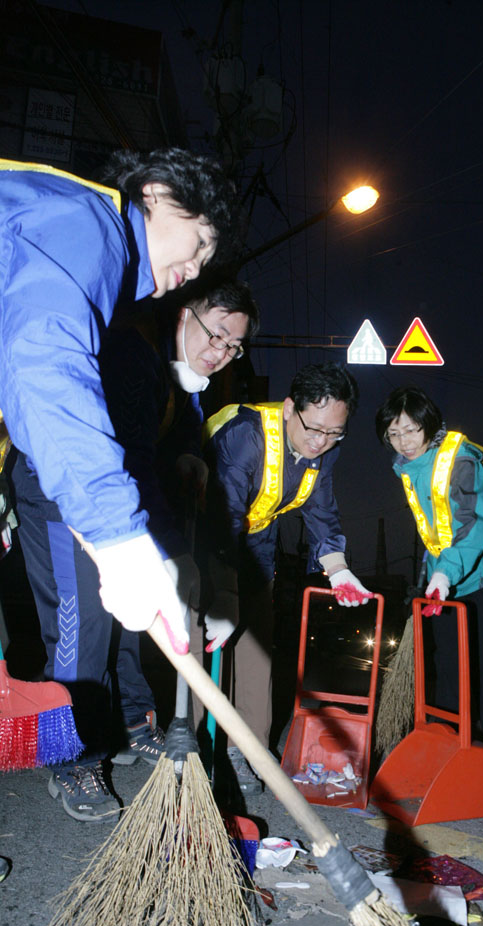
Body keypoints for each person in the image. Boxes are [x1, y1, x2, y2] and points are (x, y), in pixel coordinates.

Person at [1, 148, 237, 820]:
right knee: (82, 628)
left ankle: (108, 731)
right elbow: (44, 363)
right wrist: (119, 535)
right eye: (197, 247)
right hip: (62, 491)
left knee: (106, 624)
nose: (188, 272)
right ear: (157, 194)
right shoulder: (89, 222)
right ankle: (69, 757)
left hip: (72, 486)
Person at [204, 362, 371, 793]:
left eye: (335, 433)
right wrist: (223, 589)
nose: (321, 442)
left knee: (257, 648)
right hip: (200, 537)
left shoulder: (325, 450)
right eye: (314, 428)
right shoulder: (246, 436)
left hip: (257, 546)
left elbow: (321, 512)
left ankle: (247, 752)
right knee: (197, 642)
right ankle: (190, 748)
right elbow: (223, 516)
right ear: (289, 407)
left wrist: (340, 570)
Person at [375, 386, 483, 755]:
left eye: (410, 430)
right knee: (446, 661)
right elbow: (434, 529)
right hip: (448, 575)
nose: (403, 441)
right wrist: (431, 576)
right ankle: (446, 744)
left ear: (429, 424)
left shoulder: (461, 460)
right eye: (393, 433)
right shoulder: (408, 467)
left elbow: (474, 524)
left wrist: (444, 574)